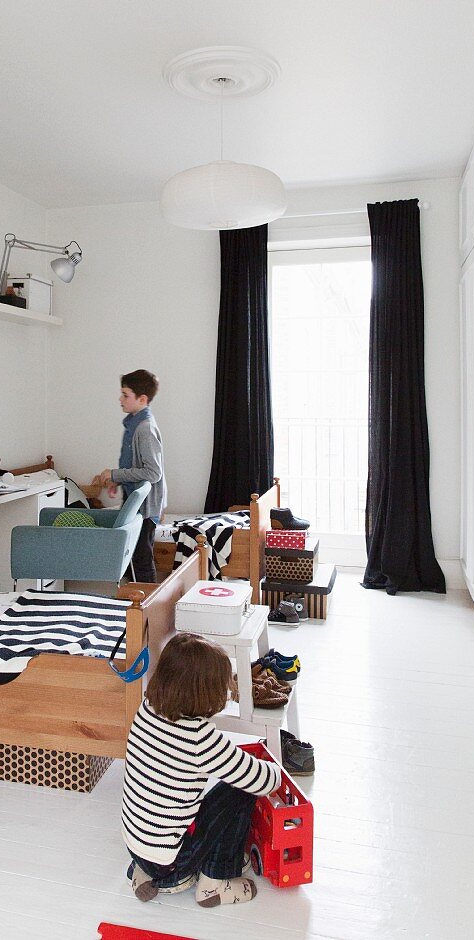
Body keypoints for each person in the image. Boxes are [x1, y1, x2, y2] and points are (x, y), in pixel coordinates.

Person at [122, 632, 281, 908]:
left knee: (190, 803)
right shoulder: (198, 736)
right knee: (238, 792)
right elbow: (260, 780)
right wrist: (277, 770)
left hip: (137, 847)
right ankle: (216, 882)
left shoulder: (146, 709)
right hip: (173, 859)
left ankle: (145, 872)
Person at [96, 369, 166, 583]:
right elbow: (133, 463)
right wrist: (118, 479)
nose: (120, 399)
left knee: (141, 559)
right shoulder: (133, 424)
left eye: (125, 395)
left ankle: (147, 611)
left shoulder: (144, 428)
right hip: (135, 500)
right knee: (132, 557)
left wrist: (115, 473)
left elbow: (153, 472)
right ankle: (131, 605)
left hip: (145, 506)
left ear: (142, 399)